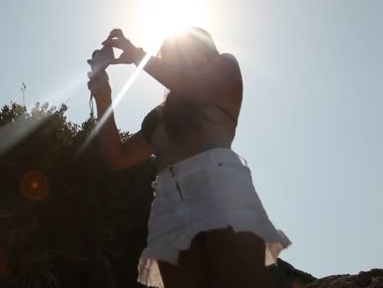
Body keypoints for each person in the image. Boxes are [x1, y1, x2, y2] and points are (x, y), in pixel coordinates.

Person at [87, 28, 291, 288]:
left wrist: (138, 55)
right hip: (168, 200)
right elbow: (117, 157)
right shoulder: (160, 114)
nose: (173, 58)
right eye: (169, 54)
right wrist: (103, 96)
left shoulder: (224, 66)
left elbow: (195, 86)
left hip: (219, 183)